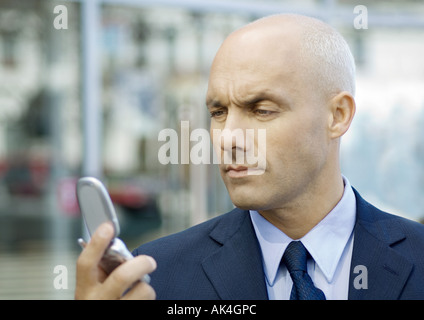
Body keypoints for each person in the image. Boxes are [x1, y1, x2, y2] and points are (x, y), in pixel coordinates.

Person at [75, 14, 424, 300]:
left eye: (261, 110)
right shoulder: (153, 277)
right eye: (218, 112)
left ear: (337, 115)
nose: (229, 138)